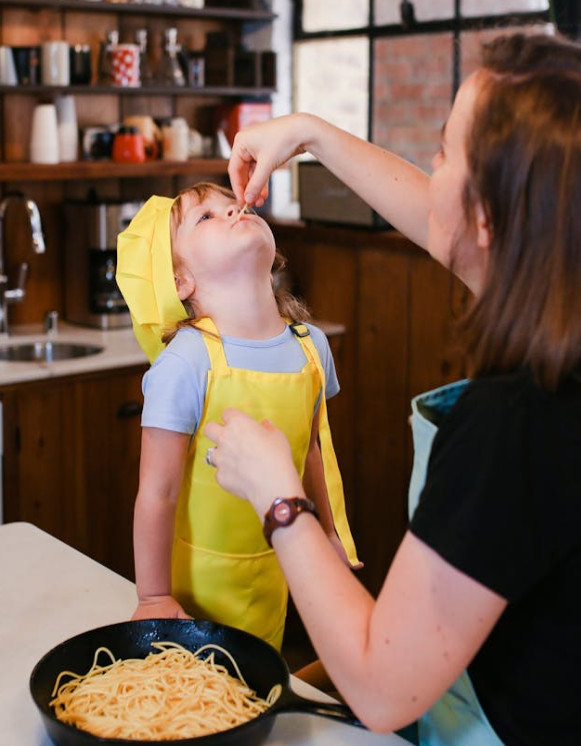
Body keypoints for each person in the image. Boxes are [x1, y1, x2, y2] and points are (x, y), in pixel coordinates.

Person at [204, 32, 581, 746]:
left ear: (486, 218)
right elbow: (445, 223)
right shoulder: (559, 284)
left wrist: (279, 500)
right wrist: (310, 132)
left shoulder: (516, 425)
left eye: (441, 152)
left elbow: (380, 690)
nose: (427, 170)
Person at [115, 182, 360, 651]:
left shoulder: (313, 347)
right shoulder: (185, 363)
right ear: (179, 282)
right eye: (206, 217)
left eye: (233, 204)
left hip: (277, 574)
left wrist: (330, 535)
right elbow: (157, 493)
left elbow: (313, 453)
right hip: (192, 599)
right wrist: (153, 597)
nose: (233, 211)